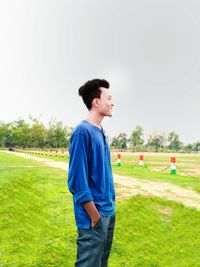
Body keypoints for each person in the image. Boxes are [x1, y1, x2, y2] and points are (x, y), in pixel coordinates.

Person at [68, 79, 115, 267]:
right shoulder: (82, 132)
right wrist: (95, 217)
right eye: (108, 98)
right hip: (93, 217)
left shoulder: (101, 131)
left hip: (108, 211)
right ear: (96, 102)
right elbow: (76, 182)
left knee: (101, 263)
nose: (112, 103)